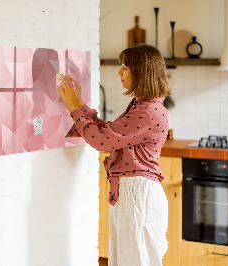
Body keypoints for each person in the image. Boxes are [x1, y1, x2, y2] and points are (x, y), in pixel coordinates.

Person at [58, 44, 170, 266]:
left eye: (125, 67)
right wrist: (79, 104)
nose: (119, 72)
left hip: (138, 195)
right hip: (133, 193)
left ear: (141, 72)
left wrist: (73, 108)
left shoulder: (147, 111)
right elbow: (109, 133)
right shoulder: (143, 106)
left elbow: (101, 141)